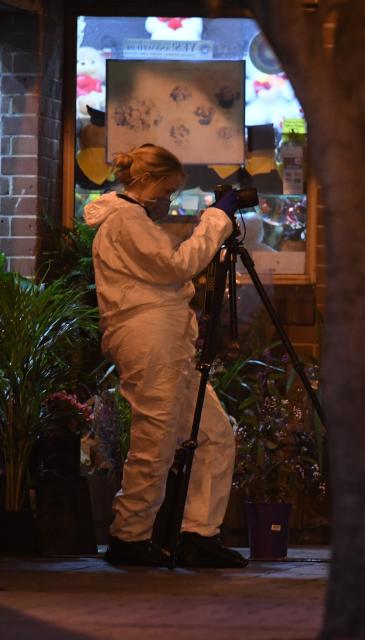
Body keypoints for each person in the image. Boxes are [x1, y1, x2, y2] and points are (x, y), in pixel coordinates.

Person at [85, 144, 246, 567]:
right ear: (149, 182)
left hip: (165, 339)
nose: (169, 200)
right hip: (149, 337)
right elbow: (175, 267)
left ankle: (197, 532)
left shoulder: (132, 220)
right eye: (169, 190)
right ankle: (130, 536)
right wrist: (216, 220)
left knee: (213, 433)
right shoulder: (125, 220)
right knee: (155, 438)